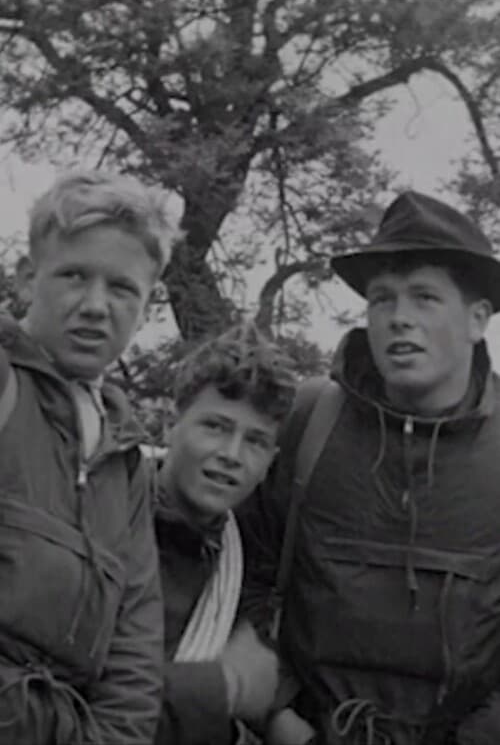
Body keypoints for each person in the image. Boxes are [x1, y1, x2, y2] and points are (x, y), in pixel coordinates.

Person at [238, 191, 500, 745]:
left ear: (477, 319)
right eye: (382, 299)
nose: (399, 318)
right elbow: (239, 573)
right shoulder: (309, 422)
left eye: (425, 297)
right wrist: (281, 718)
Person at [0, 169, 177, 744]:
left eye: (122, 288)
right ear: (28, 278)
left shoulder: (125, 459)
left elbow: (134, 649)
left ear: (148, 306)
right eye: (74, 275)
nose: (96, 306)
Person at [153, 323, 297, 745]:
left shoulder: (244, 560)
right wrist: (225, 687)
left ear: (270, 462)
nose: (231, 455)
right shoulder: (104, 521)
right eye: (215, 427)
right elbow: (80, 696)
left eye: (255, 441)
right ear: (170, 425)